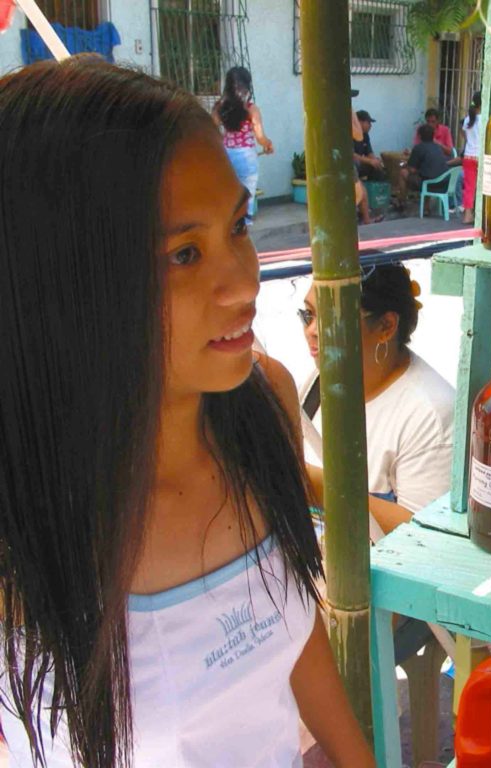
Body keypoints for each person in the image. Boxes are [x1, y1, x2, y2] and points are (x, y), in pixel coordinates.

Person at [0, 59, 374, 767]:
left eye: (237, 226)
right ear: (65, 287)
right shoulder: (24, 524)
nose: (241, 281)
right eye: (184, 253)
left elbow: (288, 625)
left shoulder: (261, 405)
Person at [297, 265, 454, 534]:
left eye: (331, 318)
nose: (312, 330)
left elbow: (425, 537)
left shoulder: (431, 415)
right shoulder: (322, 379)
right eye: (308, 315)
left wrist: (314, 484)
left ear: (386, 326)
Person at [213, 66, 273, 225]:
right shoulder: (251, 109)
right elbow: (260, 137)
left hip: (226, 156)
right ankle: (244, 230)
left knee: (228, 198)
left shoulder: (219, 107)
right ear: (247, 86)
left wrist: (223, 141)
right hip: (247, 157)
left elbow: (211, 131)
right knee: (246, 200)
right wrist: (268, 144)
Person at [397, 124, 456, 212]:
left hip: (430, 185)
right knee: (427, 174)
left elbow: (412, 169)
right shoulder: (438, 148)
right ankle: (426, 207)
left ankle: (401, 202)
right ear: (433, 136)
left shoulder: (418, 148)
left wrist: (407, 165)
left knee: (403, 173)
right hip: (444, 183)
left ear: (419, 136)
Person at [460, 92, 482, 225]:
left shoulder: (469, 119)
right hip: (480, 157)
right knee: (482, 187)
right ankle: (479, 214)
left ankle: (467, 215)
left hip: (468, 156)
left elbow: (465, 134)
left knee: (469, 187)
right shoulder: (485, 118)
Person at [353, 109, 388, 182]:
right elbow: (351, 155)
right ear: (360, 122)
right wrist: (369, 161)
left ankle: (375, 190)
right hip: (352, 165)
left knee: (377, 167)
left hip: (361, 164)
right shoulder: (350, 134)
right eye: (368, 123)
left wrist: (375, 160)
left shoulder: (365, 135)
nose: (370, 125)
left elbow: (369, 153)